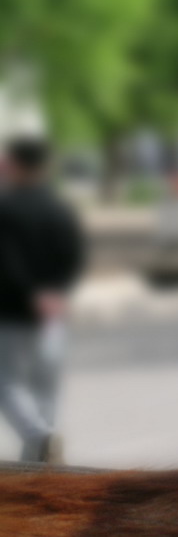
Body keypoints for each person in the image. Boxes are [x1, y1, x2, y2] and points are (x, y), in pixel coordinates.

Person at [0, 137, 85, 463]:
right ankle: (39, 464)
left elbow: (5, 263)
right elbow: (74, 256)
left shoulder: (5, 209)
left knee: (5, 382)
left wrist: (30, 294)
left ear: (15, 165)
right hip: (54, 312)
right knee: (46, 386)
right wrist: (57, 291)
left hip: (12, 311)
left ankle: (39, 438)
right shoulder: (58, 208)